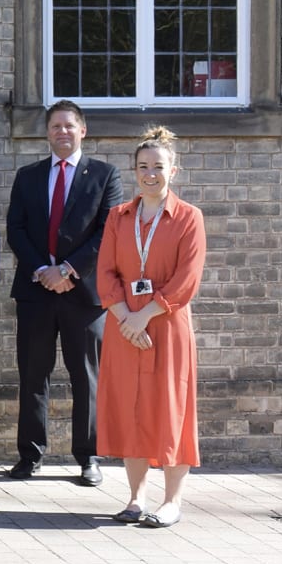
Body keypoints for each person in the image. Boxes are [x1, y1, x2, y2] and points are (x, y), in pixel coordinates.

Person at [6, 99, 123, 486]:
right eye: (55, 126)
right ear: (47, 133)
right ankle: (30, 455)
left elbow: (108, 232)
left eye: (69, 126)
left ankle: (89, 456)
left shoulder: (105, 176)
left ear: (82, 130)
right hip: (37, 291)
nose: (62, 132)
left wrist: (69, 271)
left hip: (83, 295)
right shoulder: (28, 176)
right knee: (33, 375)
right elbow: (16, 229)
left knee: (86, 377)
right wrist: (43, 270)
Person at [96, 126, 207, 529]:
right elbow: (106, 271)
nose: (150, 174)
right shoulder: (118, 217)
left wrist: (145, 315)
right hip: (124, 327)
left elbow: (187, 278)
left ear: (173, 171)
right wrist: (126, 317)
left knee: (169, 408)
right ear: (134, 171)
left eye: (158, 166)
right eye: (143, 166)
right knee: (132, 408)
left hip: (166, 326)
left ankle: (172, 501)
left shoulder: (188, 218)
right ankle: (135, 498)